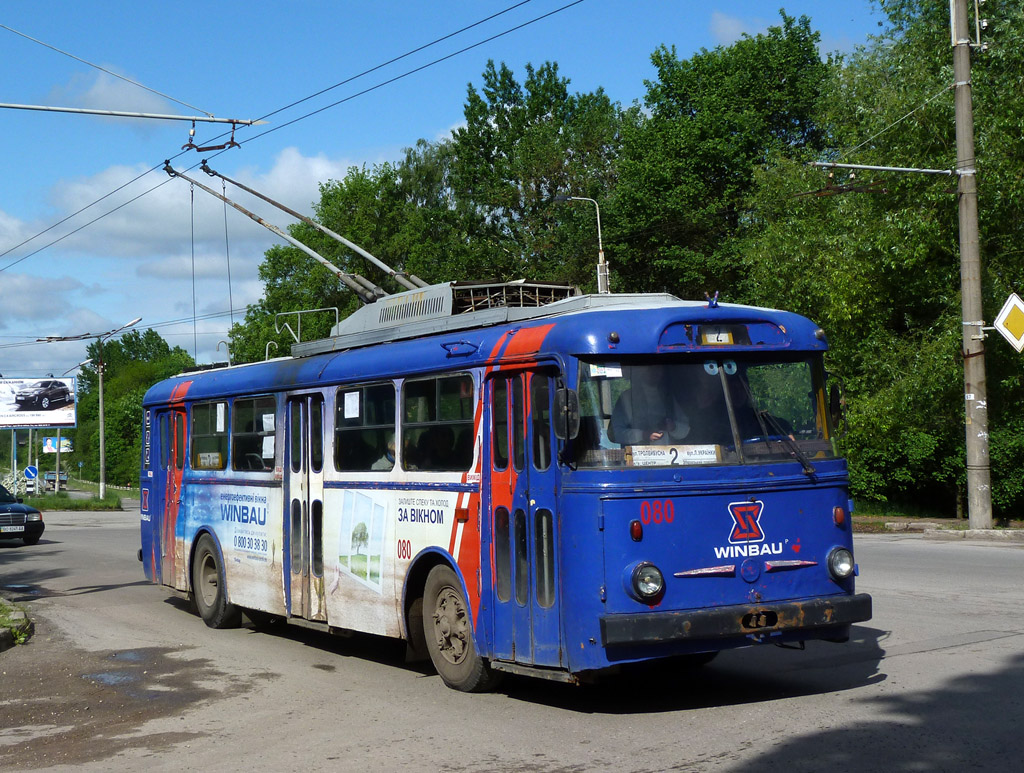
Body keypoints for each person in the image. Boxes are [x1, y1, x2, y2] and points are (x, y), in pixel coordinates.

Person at [609, 367, 690, 446]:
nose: (654, 372)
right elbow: (614, 434)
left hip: (668, 453)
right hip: (636, 453)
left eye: (658, 368)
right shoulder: (627, 397)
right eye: (650, 369)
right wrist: (642, 435)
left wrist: (673, 427)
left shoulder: (668, 397)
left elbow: (686, 430)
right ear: (639, 371)